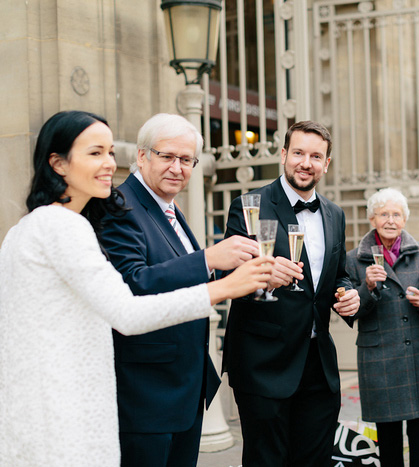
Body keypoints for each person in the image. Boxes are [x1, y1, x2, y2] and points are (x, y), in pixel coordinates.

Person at [0, 110, 272, 466]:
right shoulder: (63, 227)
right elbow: (127, 309)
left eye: (111, 152)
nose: (109, 164)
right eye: (95, 153)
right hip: (67, 408)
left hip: (56, 404)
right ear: (58, 163)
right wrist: (222, 288)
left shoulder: (29, 227)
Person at [98, 113, 261, 466]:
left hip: (184, 390)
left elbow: (182, 279)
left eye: (186, 160)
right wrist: (208, 258)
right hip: (147, 394)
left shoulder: (169, 208)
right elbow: (133, 284)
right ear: (141, 156)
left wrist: (245, 275)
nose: (177, 168)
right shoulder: (118, 206)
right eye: (167, 156)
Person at [221, 120, 361, 466]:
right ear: (284, 154)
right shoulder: (248, 205)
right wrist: (265, 274)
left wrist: (348, 293)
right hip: (264, 364)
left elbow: (337, 275)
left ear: (326, 163)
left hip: (318, 366)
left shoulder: (335, 214)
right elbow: (228, 275)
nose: (306, 162)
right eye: (298, 152)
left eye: (316, 156)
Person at [345, 188, 419, 467]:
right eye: (383, 214)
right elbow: (349, 312)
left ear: (405, 219)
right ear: (372, 219)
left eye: (396, 214)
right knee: (389, 446)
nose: (390, 220)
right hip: (381, 361)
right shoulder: (354, 259)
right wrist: (367, 287)